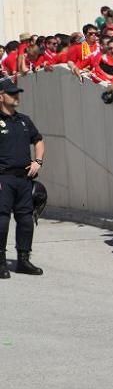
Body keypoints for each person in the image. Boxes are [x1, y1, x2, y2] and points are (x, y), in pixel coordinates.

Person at [0, 78, 45, 278]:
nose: (16, 96)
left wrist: (38, 161)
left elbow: (39, 140)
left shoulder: (24, 120)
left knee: (26, 220)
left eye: (17, 92)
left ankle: (23, 260)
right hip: (4, 179)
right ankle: (1, 261)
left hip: (24, 178)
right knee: (1, 221)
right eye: (11, 93)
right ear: (1, 96)